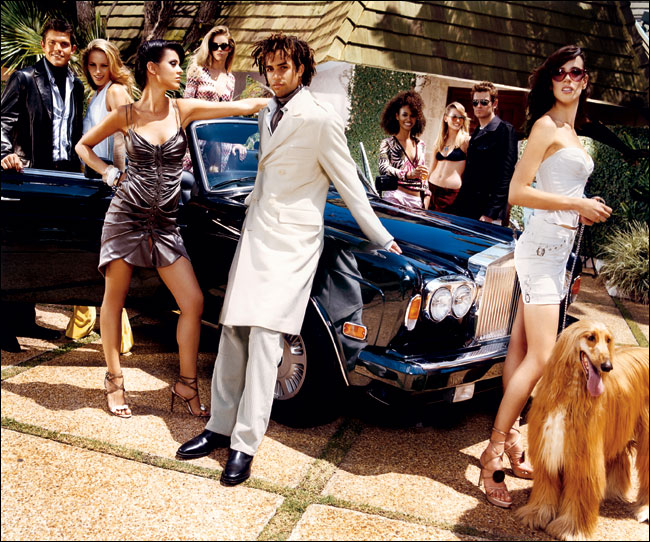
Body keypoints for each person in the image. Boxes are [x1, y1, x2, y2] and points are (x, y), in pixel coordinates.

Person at [176, 33, 401, 486]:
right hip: (256, 236)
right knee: (233, 333)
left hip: (294, 244)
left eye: (283, 68)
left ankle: (244, 445)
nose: (275, 76)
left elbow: (351, 185)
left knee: (264, 341)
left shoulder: (320, 119)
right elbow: (263, 174)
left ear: (301, 70)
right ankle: (219, 428)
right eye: (269, 68)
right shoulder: (266, 111)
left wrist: (381, 236)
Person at [75, 39, 268, 419]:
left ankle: (185, 383)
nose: (182, 70)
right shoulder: (126, 114)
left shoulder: (183, 109)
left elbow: (241, 105)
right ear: (152, 68)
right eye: (174, 63)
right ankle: (114, 380)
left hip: (164, 225)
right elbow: (84, 146)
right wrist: (109, 172)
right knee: (114, 300)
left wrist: (279, 100)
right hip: (126, 217)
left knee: (193, 302)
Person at [476, 45, 611, 509]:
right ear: (550, 81)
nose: (568, 80)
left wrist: (581, 210)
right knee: (543, 356)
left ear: (585, 79)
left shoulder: (573, 130)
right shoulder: (545, 126)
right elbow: (518, 191)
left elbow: (559, 188)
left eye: (576, 72)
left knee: (520, 349)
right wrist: (577, 205)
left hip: (557, 252)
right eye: (560, 74)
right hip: (539, 253)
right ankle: (492, 451)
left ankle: (512, 442)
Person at [1, 18, 85, 351]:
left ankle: (26, 320)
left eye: (64, 44)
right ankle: (4, 325)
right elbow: (3, 121)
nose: (58, 49)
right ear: (43, 45)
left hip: (62, 179)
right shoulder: (24, 78)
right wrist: (5, 153)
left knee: (42, 252)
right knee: (17, 251)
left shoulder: (77, 84)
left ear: (72, 48)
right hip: (28, 176)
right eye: (52, 43)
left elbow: (76, 133)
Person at [66, 39, 135, 352]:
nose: (97, 71)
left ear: (113, 65)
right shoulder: (97, 92)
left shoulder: (115, 91)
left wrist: (117, 176)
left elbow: (130, 138)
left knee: (110, 260)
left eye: (103, 65)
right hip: (98, 184)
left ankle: (120, 336)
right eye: (92, 65)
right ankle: (83, 321)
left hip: (112, 186)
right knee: (95, 255)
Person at [450, 81, 517, 225]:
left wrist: (490, 213)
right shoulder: (476, 133)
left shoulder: (505, 130)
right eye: (475, 102)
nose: (479, 106)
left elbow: (506, 176)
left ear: (494, 103)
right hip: (467, 207)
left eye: (484, 102)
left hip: (487, 213)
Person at [181, 25, 245, 172]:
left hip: (220, 141)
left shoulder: (231, 78)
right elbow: (185, 106)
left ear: (230, 48)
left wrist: (235, 142)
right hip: (197, 137)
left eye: (224, 46)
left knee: (214, 183)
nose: (219, 50)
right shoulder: (197, 71)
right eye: (214, 46)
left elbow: (227, 113)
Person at [378, 90, 430, 209]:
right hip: (395, 196)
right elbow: (383, 168)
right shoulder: (387, 143)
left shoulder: (421, 144)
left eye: (412, 115)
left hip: (416, 201)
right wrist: (408, 174)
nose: (408, 119)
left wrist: (427, 196)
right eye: (405, 115)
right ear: (397, 116)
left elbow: (423, 174)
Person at [427, 102, 470, 212]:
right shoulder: (440, 141)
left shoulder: (466, 141)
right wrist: (425, 189)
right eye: (454, 117)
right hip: (432, 188)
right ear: (446, 118)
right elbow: (432, 167)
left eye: (461, 117)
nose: (458, 120)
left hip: (450, 194)